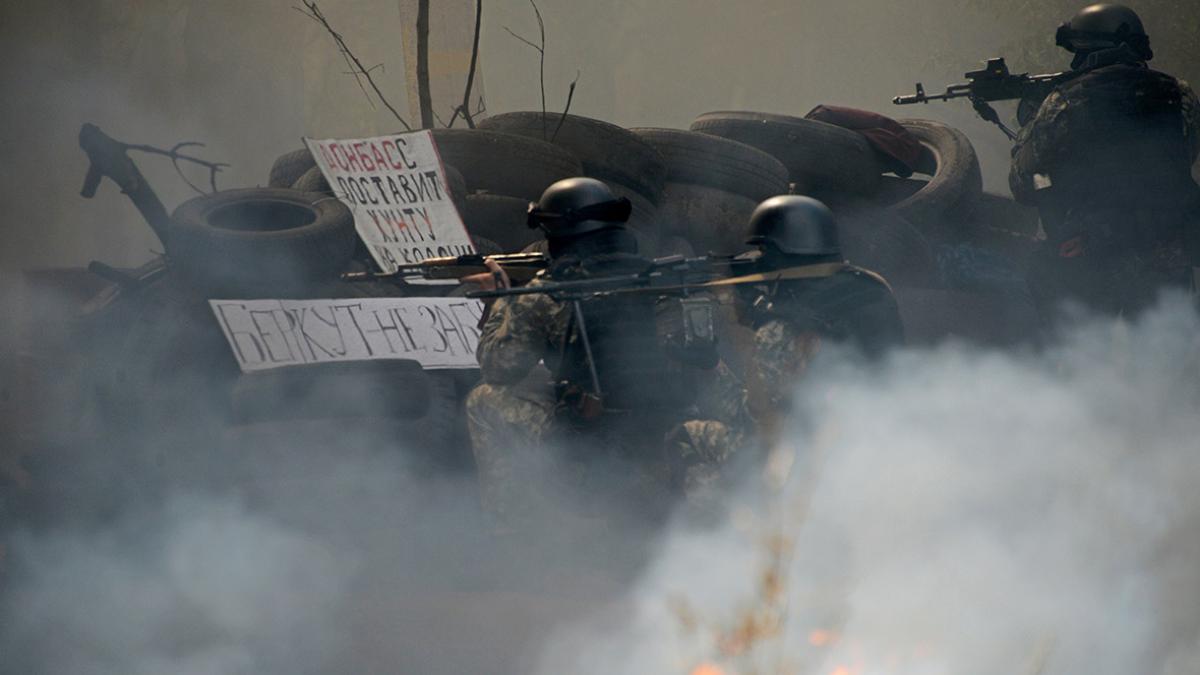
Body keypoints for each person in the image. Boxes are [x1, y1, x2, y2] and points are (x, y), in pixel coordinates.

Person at [465, 177, 746, 531]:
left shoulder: (549, 292)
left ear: (558, 233)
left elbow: (497, 367)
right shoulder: (663, 279)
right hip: (672, 439)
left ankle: (514, 532)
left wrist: (500, 302)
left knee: (483, 399)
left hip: (595, 450)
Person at [1010, 3, 1200, 318]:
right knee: (1167, 353)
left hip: (1091, 248)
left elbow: (1023, 182)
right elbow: (1187, 152)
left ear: (1085, 47)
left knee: (1081, 354)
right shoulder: (1180, 93)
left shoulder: (1065, 99)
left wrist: (1030, 120)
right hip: (1168, 244)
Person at [735, 195, 904, 444]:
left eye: (763, 251)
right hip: (880, 429)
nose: (757, 259)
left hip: (811, 443)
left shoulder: (780, 325)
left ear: (783, 252)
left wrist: (715, 362)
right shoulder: (870, 287)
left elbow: (754, 414)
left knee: (696, 432)